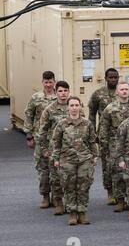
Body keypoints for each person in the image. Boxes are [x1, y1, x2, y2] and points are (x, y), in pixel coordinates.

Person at [52, 97, 98, 226]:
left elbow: (92, 141)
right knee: (69, 185)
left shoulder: (87, 123)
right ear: (68, 107)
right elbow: (56, 142)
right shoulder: (62, 124)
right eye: (71, 105)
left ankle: (82, 212)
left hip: (85, 159)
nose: (74, 108)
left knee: (84, 185)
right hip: (67, 159)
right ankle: (72, 212)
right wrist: (56, 158)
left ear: (80, 106)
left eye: (76, 105)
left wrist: (95, 156)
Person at [23, 71, 57, 208]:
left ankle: (56, 197)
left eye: (50, 82)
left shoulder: (60, 97)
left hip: (56, 140)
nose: (48, 85)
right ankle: (45, 196)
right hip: (40, 138)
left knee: (56, 169)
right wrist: (29, 135)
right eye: (46, 82)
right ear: (42, 82)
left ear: (54, 82)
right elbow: (28, 115)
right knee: (43, 169)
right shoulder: (36, 97)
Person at [39, 81, 72, 216]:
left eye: (65, 91)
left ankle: (70, 203)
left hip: (72, 149)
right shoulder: (50, 109)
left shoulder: (74, 106)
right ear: (56, 92)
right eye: (60, 91)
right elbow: (42, 131)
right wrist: (44, 148)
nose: (63, 94)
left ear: (68, 91)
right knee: (56, 177)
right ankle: (58, 203)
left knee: (70, 177)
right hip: (56, 149)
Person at [98, 81, 129, 212]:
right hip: (115, 145)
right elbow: (103, 129)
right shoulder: (110, 108)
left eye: (126, 89)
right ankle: (120, 200)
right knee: (117, 174)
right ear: (117, 92)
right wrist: (104, 147)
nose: (124, 91)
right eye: (122, 89)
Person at [88, 68, 120, 205]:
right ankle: (110, 192)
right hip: (105, 134)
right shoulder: (98, 94)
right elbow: (91, 114)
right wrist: (92, 132)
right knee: (107, 165)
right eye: (111, 77)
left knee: (121, 164)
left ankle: (122, 192)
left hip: (121, 134)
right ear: (106, 78)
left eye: (115, 77)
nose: (113, 80)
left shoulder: (123, 92)